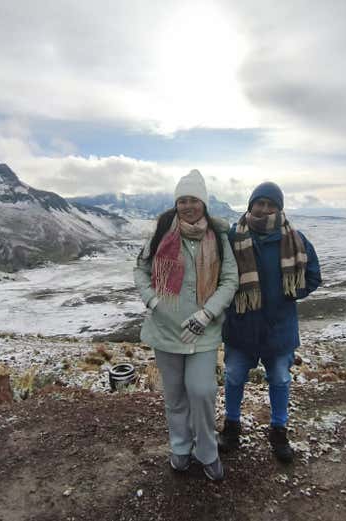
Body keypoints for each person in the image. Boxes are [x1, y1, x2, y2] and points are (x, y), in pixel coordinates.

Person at [134, 169, 238, 481]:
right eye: (182, 200)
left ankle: (207, 451)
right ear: (176, 203)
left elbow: (230, 279)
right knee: (175, 395)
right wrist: (153, 301)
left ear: (204, 204)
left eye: (194, 200)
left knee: (203, 391)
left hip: (203, 331)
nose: (188, 206)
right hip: (165, 330)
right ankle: (180, 447)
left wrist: (207, 314)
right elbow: (140, 269)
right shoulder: (161, 231)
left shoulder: (218, 237)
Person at [218, 181, 321, 463]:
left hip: (279, 327)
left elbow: (313, 276)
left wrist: (288, 293)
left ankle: (278, 430)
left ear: (279, 208)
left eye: (270, 204)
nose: (264, 209)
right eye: (259, 203)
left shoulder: (295, 239)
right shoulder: (232, 237)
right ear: (250, 205)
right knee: (234, 376)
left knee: (279, 378)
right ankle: (231, 427)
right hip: (241, 325)